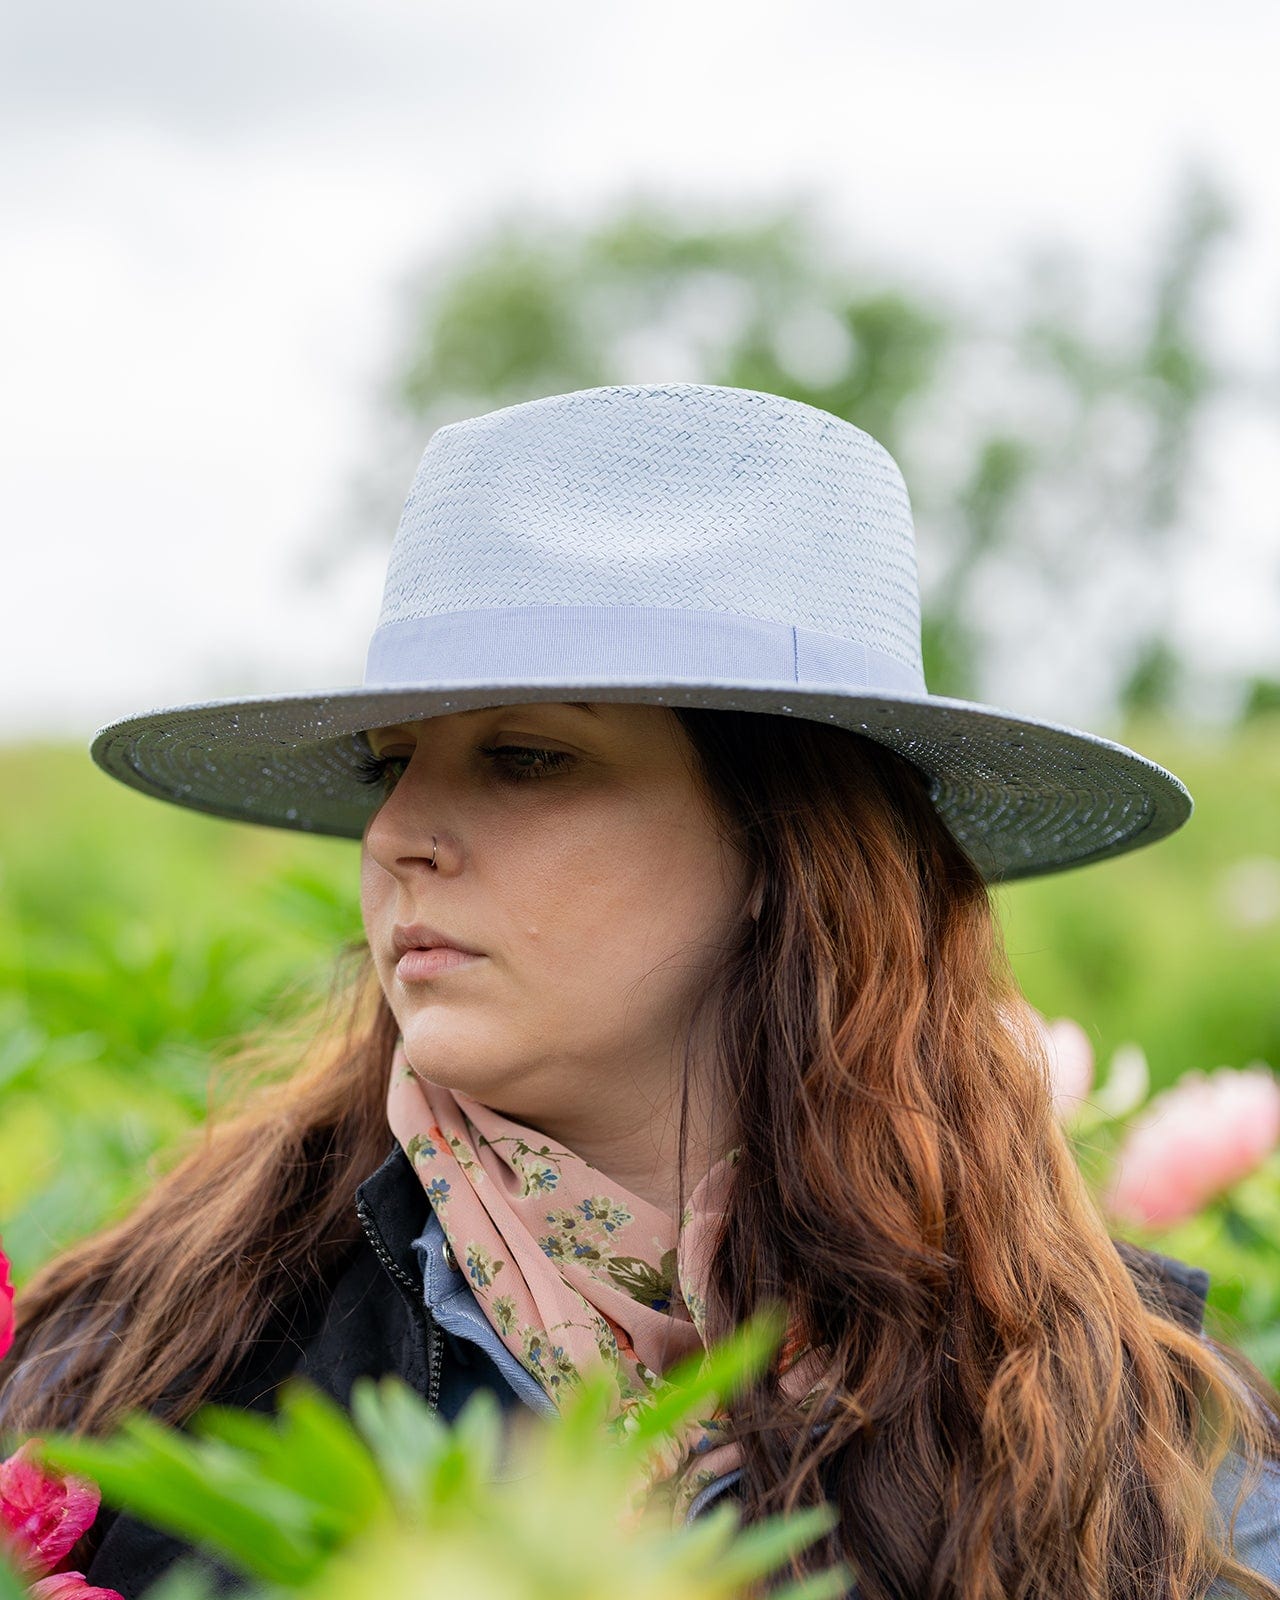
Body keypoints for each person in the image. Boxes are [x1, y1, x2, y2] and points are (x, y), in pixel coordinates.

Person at [3, 382, 1279, 1599]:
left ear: (784, 848)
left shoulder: (1136, 1448)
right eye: (391, 764)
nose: (397, 833)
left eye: (526, 757)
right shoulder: (156, 1357)